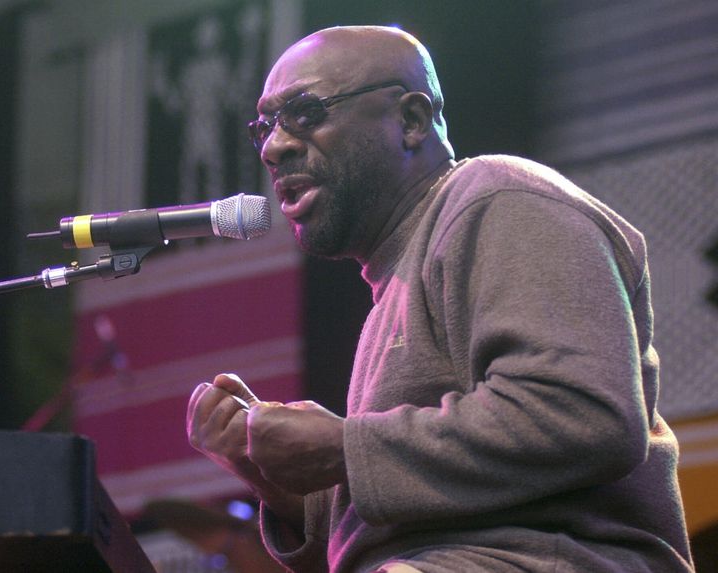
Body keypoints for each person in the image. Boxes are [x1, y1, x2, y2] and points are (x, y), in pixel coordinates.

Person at [186, 25, 695, 573]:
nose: (273, 146)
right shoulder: (394, 280)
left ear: (411, 120)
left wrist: (344, 449)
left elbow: (584, 417)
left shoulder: (497, 196)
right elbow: (407, 519)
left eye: (306, 113)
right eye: (264, 126)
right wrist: (271, 476)